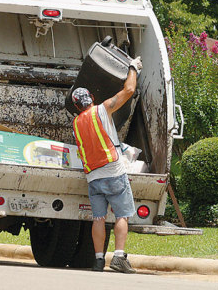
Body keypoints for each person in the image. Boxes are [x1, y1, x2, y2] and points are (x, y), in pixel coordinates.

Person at [71, 56, 143, 274]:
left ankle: (98, 260)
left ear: (76, 106)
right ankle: (119, 257)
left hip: (93, 177)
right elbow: (129, 90)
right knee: (121, 215)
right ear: (91, 98)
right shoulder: (101, 110)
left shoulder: (76, 123)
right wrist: (133, 67)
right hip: (113, 171)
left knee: (99, 218)